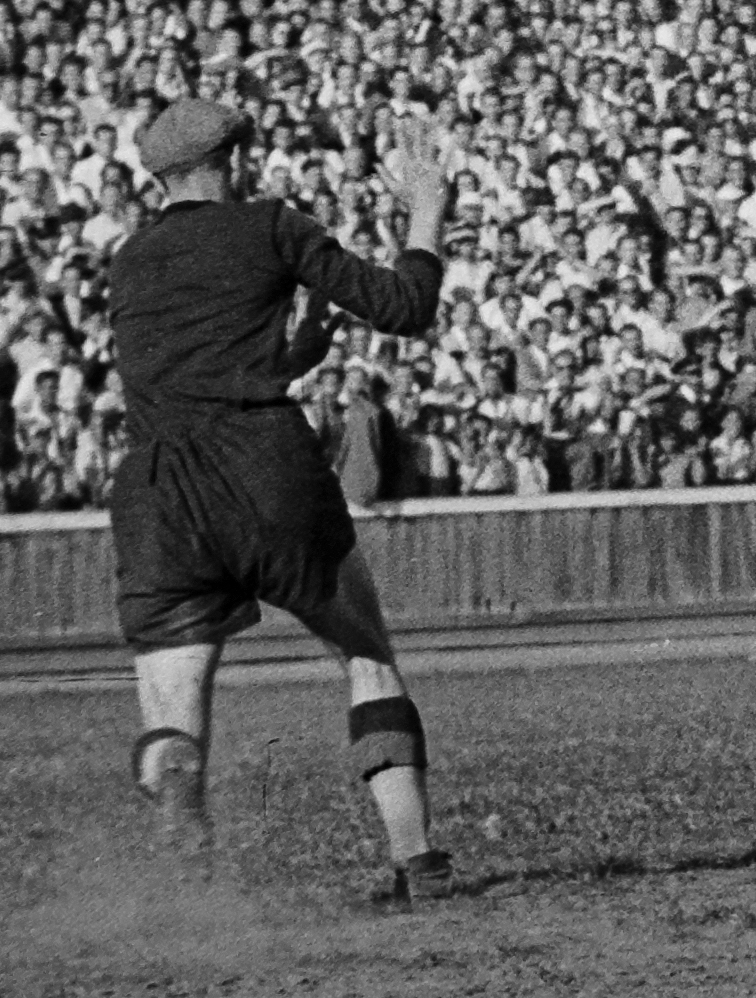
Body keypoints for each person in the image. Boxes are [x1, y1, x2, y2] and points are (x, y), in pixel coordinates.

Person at [107, 99, 456, 899]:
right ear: (234, 158)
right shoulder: (268, 225)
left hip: (159, 491)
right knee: (366, 657)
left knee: (173, 711)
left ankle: (187, 870)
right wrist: (427, 213)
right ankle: (418, 860)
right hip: (266, 468)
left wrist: (288, 359)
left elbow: (187, 379)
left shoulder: (129, 259)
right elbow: (405, 309)